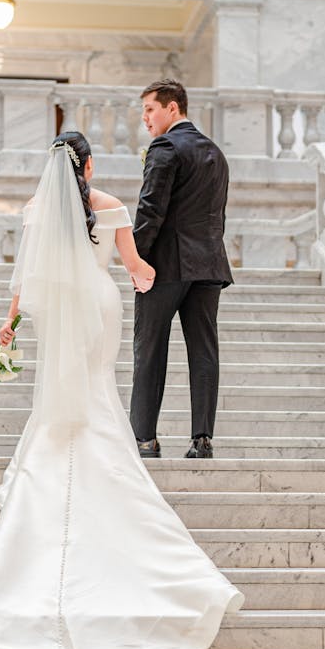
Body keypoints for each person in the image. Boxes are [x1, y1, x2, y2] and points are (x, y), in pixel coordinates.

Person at [0, 131, 243, 649]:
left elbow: (28, 276)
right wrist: (156, 277)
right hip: (101, 305)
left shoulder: (38, 208)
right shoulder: (111, 207)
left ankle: (54, 449)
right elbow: (137, 269)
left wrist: (8, 325)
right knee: (97, 385)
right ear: (87, 167)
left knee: (64, 386)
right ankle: (99, 451)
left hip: (61, 309)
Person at [130, 81, 233, 460]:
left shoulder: (166, 147)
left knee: (150, 349)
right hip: (209, 265)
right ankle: (202, 439)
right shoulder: (216, 153)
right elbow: (217, 215)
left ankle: (144, 439)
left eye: (150, 109)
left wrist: (136, 260)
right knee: (205, 351)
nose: (145, 118)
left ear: (173, 109)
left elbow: (150, 209)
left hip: (165, 266)